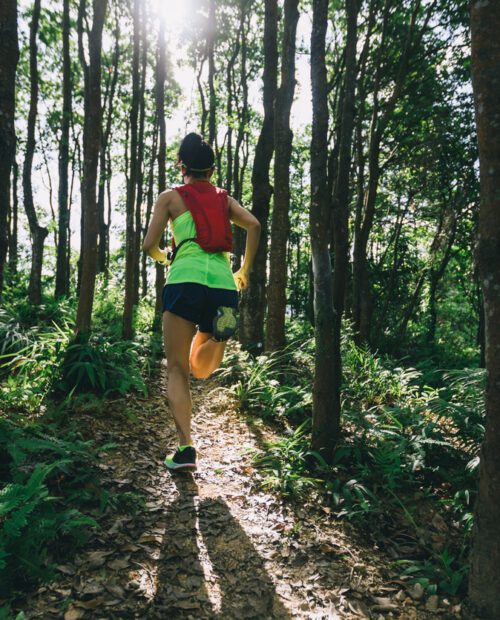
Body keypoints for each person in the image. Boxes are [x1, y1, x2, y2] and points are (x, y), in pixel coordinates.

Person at [143, 133, 261, 472]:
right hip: (224, 287)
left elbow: (148, 244)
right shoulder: (224, 199)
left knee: (179, 368)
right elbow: (253, 224)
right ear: (211, 170)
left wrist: (165, 256)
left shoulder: (170, 197)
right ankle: (219, 335)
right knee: (203, 367)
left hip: (184, 283)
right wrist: (244, 270)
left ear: (182, 167)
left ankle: (185, 451)